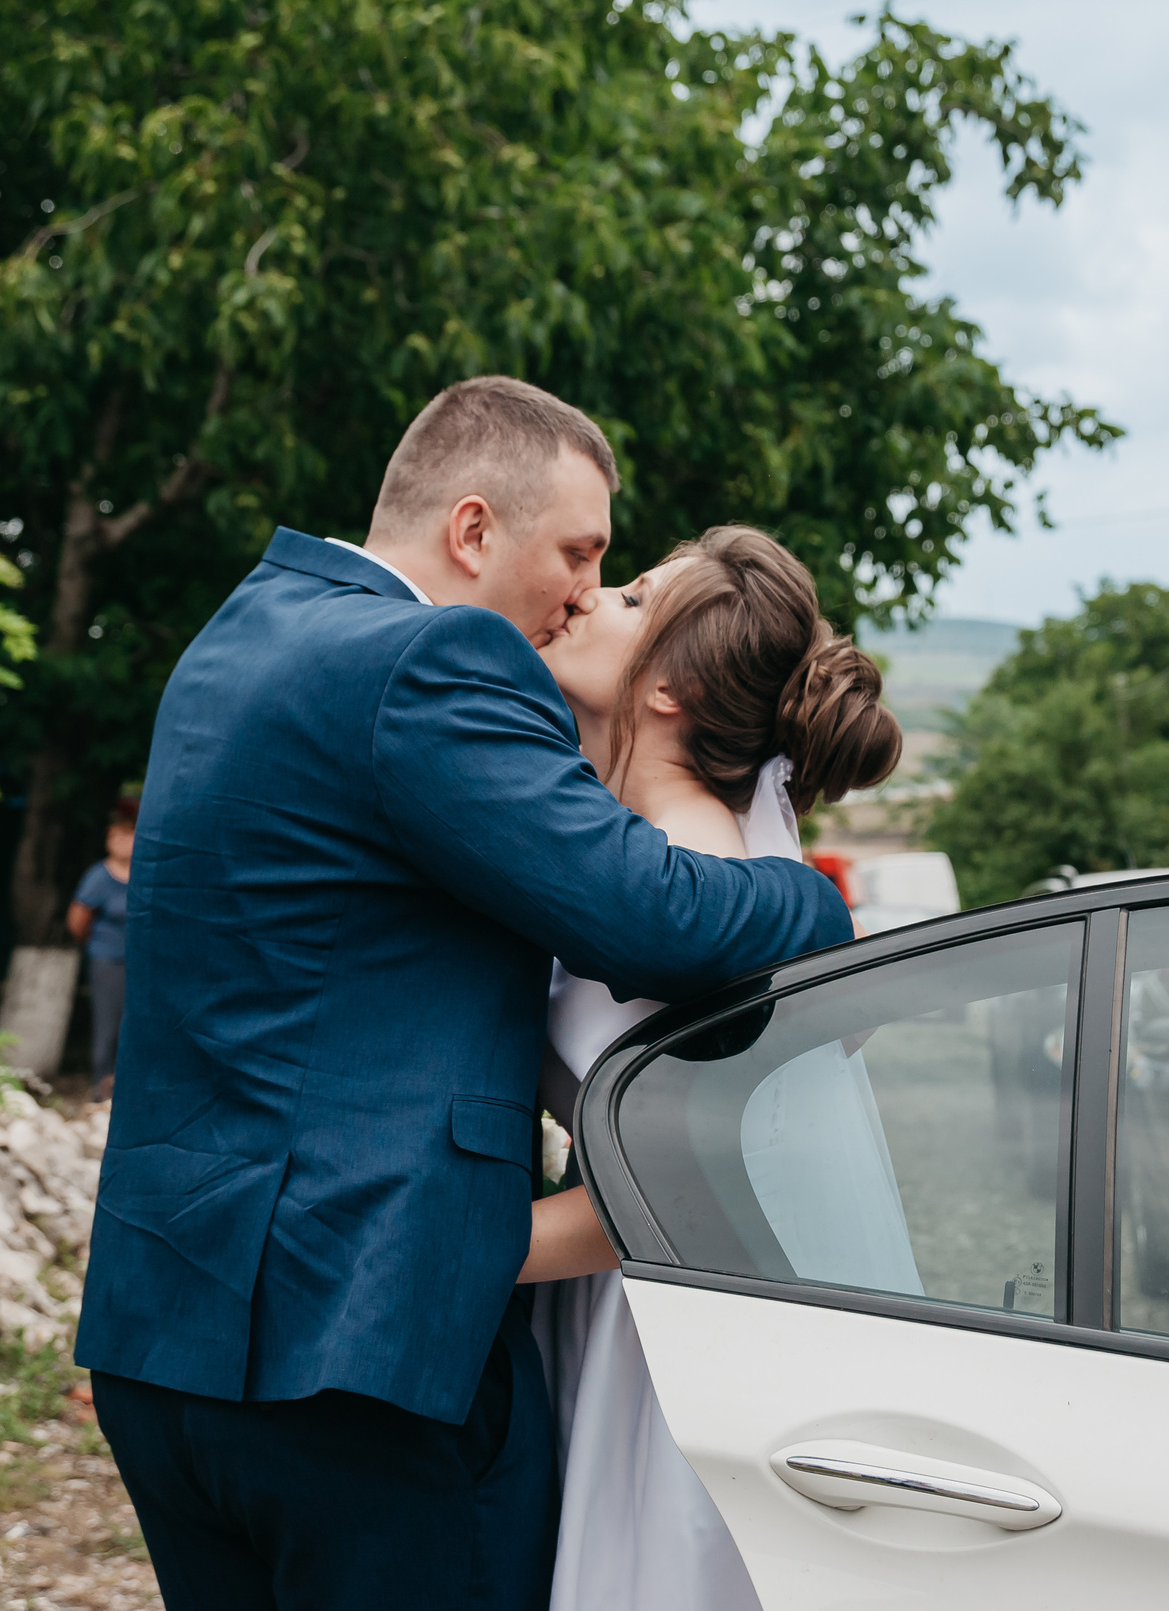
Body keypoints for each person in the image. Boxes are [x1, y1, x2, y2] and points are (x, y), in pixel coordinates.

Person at [74, 377, 852, 1611]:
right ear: (474, 531)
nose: (585, 593)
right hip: (359, 1360)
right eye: (578, 553)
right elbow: (655, 922)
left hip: (165, 1339)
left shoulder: (238, 635)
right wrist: (820, 908)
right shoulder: (435, 658)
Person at [518, 527, 910, 1611]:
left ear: (672, 690)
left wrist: (450, 1251)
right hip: (620, 1316)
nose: (594, 600)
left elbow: (684, 1184)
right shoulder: (644, 857)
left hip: (670, 1354)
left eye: (637, 600)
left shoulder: (702, 892)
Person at [66, 804, 136, 1100]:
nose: (121, 841)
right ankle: (102, 1089)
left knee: (134, 1027)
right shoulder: (99, 876)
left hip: (140, 962)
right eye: (115, 836)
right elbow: (77, 921)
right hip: (108, 960)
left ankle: (129, 1088)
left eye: (127, 835)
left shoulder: (145, 874)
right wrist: (97, 946)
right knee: (108, 1025)